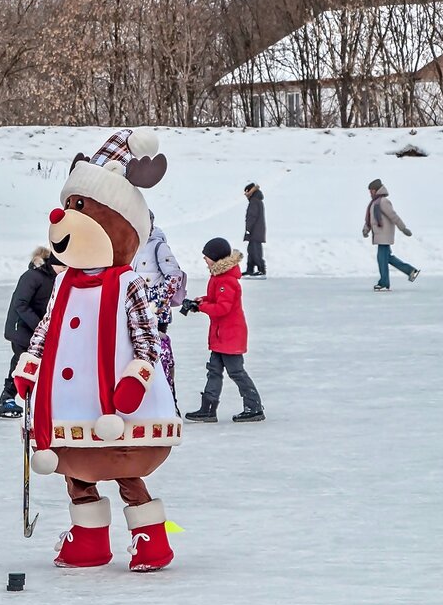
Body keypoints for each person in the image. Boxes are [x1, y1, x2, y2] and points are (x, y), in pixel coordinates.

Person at [14, 128, 180, 573]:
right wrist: (30, 364)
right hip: (70, 405)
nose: (65, 216)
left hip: (117, 405)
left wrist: (136, 378)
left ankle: (150, 541)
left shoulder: (129, 283)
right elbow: (48, 326)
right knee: (76, 470)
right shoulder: (64, 281)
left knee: (123, 466)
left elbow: (146, 338)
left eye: (80, 207)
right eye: (69, 206)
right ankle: (88, 541)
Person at [183, 237, 265, 424]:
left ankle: (254, 407)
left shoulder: (226, 280)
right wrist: (201, 302)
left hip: (230, 335)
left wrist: (202, 307)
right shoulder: (219, 277)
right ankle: (208, 409)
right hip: (222, 335)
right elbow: (216, 300)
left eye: (207, 256)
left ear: (216, 257)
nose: (204, 259)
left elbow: (222, 309)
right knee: (214, 370)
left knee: (236, 372)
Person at [0, 248, 64, 419]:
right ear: (56, 264)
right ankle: (7, 398)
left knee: (29, 362)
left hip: (38, 331)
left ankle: (16, 398)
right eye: (64, 268)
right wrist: (42, 326)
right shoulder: (33, 276)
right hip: (21, 329)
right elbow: (20, 304)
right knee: (26, 362)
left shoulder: (57, 279)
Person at [131, 211, 186, 406]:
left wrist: (159, 303)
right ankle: (146, 402)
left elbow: (174, 276)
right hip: (134, 312)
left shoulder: (158, 246)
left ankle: (168, 401)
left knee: (158, 355)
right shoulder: (132, 245)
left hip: (154, 314)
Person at [363, 178, 419, 291]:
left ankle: (384, 282)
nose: (370, 193)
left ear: (377, 190)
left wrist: (403, 228)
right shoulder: (374, 203)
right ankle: (411, 271)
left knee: (381, 259)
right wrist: (366, 229)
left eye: (372, 190)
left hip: (384, 236)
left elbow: (394, 216)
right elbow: (370, 219)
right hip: (379, 235)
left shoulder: (383, 202)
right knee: (388, 258)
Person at [242, 183, 266, 278]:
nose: (245, 195)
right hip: (256, 231)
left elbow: (251, 217)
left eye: (246, 192)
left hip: (255, 231)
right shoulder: (256, 201)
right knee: (251, 250)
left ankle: (261, 269)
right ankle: (250, 270)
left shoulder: (254, 202)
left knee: (255, 251)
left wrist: (248, 229)